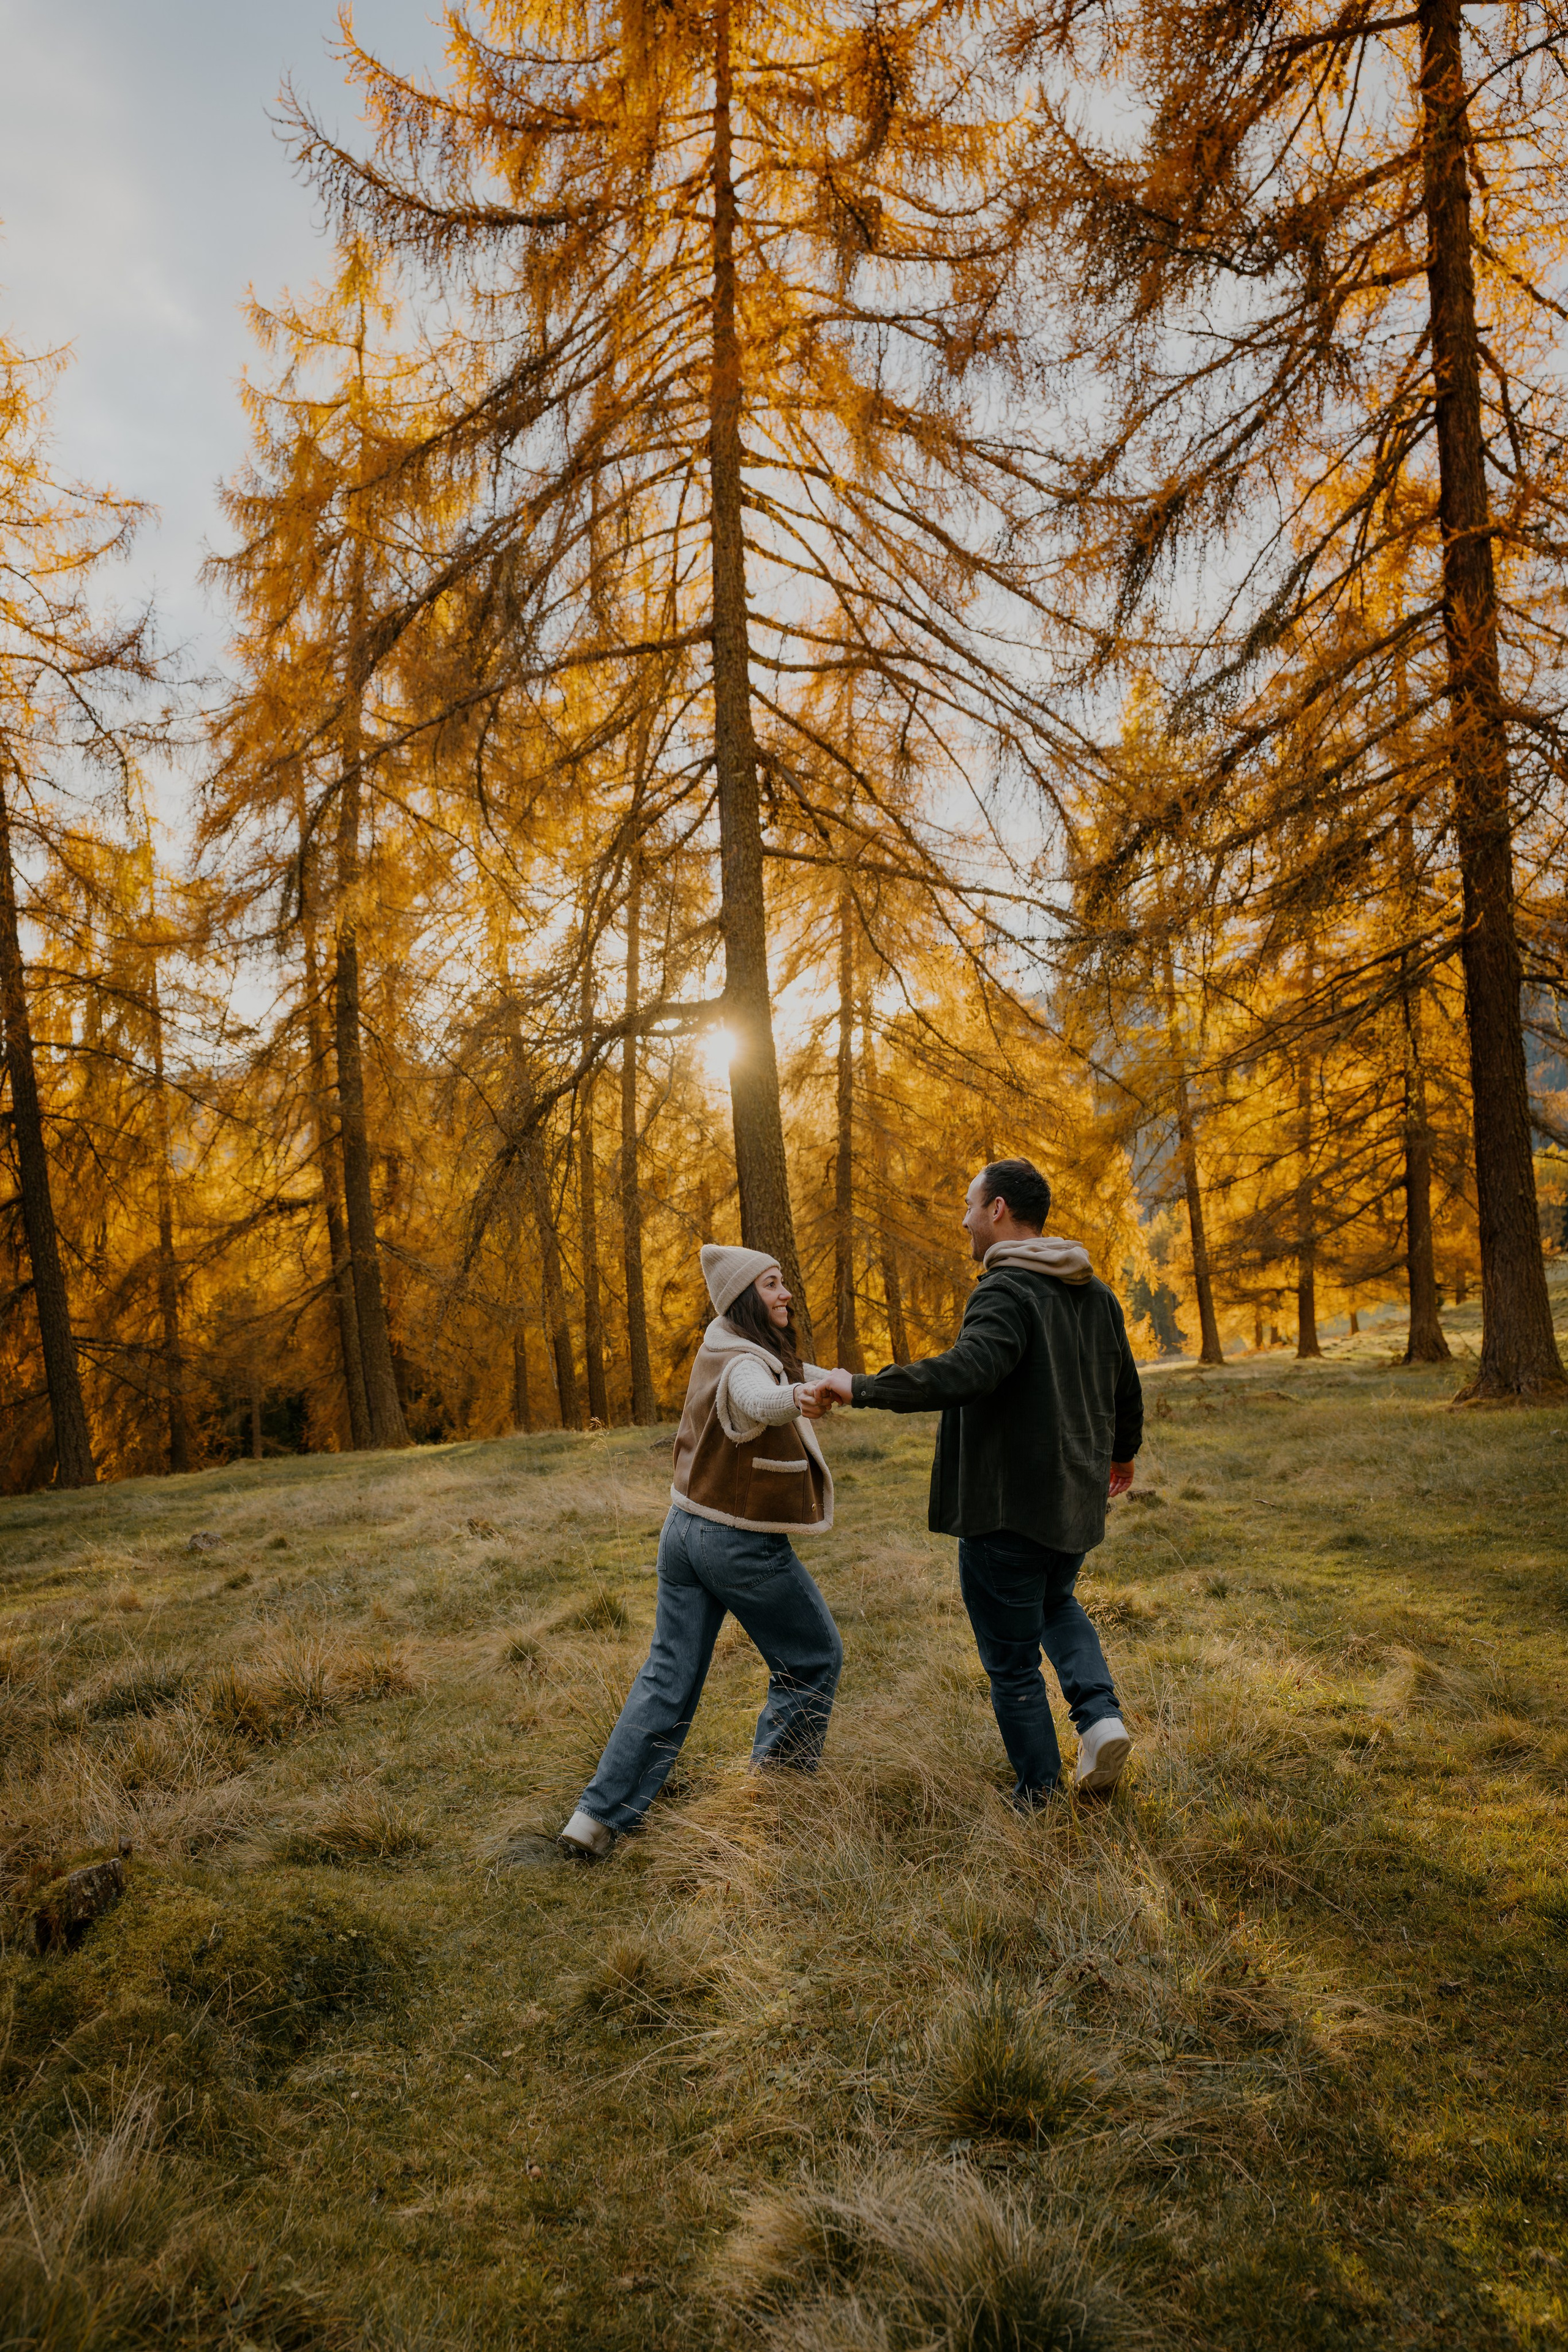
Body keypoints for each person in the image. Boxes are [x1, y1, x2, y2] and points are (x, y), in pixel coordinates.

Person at [812, 1158, 1142, 1807]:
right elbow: (1124, 1385)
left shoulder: (1006, 1290)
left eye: (969, 1205)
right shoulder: (1095, 1292)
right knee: (1054, 1604)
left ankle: (1038, 1796)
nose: (963, 1220)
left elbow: (968, 1371)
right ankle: (1100, 1720)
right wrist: (1122, 1453)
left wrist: (859, 1385)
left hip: (1006, 1507)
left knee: (1012, 1662)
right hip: (1074, 1499)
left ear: (997, 1210)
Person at [557, 1243, 844, 1860]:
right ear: (746, 1297)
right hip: (735, 1543)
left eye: (783, 1283)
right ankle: (778, 1800)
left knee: (669, 1676)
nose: (785, 1293)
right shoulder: (744, 1363)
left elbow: (793, 1376)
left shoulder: (723, 1340)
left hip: (682, 1534)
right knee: (812, 1658)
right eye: (771, 1285)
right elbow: (760, 1399)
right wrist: (794, 1400)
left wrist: (841, 1384)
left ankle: (595, 1818)